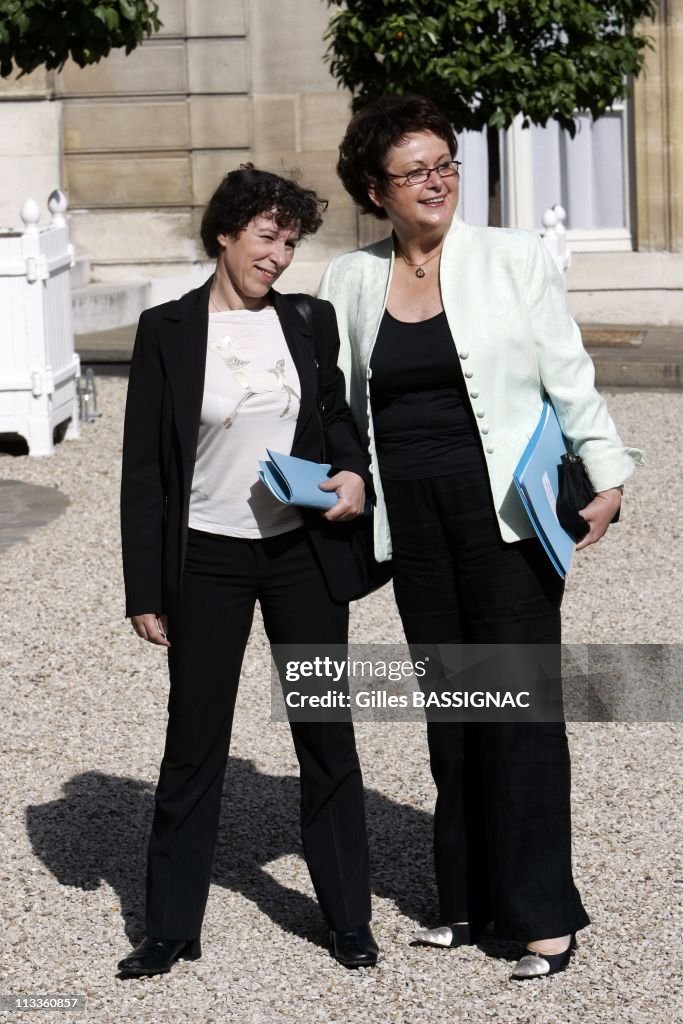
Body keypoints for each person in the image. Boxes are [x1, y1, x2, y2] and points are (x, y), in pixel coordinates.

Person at [319, 95, 642, 980]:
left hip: (503, 511)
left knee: (521, 714)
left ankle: (541, 912)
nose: (437, 182)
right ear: (375, 189)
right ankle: (462, 899)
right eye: (415, 171)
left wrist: (606, 473)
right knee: (453, 714)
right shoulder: (349, 279)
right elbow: (334, 405)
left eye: (445, 164)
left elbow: (564, 368)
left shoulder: (509, 259)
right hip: (410, 520)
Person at [118, 165, 379, 977]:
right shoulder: (166, 330)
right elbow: (144, 473)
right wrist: (144, 588)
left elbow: (335, 419)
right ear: (225, 233)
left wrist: (353, 474)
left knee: (323, 733)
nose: (279, 257)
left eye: (290, 243)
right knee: (194, 742)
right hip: (207, 558)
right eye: (267, 237)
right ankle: (168, 927)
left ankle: (346, 920)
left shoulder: (308, 320)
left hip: (300, 555)